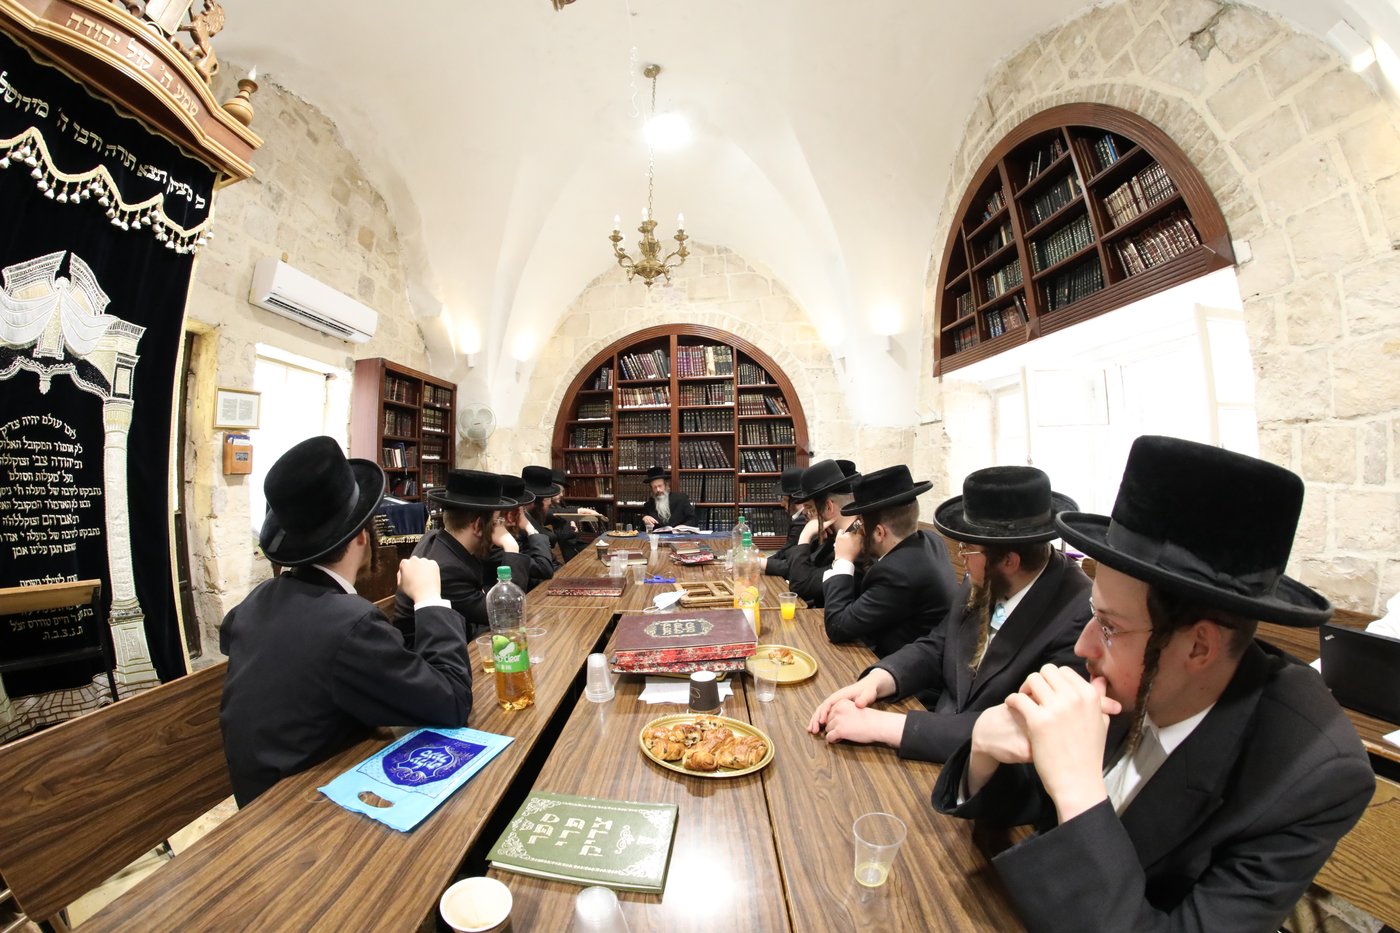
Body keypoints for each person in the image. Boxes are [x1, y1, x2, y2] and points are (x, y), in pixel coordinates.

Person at [932, 436, 1374, 933]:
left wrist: (1078, 790)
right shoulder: (1126, 665)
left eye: (1109, 625)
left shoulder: (1311, 774)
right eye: (1094, 614)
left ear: (1199, 647)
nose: (1084, 646)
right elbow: (1032, 797)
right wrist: (985, 754)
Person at [219, 436, 472, 806]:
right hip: (301, 811)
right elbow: (452, 703)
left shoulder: (256, 602)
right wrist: (430, 599)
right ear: (362, 536)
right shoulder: (349, 622)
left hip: (259, 797)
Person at [808, 465, 1090, 762]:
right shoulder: (987, 577)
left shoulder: (1076, 619)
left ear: (1009, 561)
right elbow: (939, 644)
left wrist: (886, 726)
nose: (961, 560)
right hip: (937, 734)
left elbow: (1021, 730)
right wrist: (878, 680)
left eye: (966, 550)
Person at [822, 464, 958, 657]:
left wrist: (843, 560)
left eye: (860, 524)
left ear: (879, 532)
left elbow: (837, 627)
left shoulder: (897, 573)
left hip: (903, 668)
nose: (857, 531)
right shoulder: (930, 541)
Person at [393, 469, 528, 639]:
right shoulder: (448, 569)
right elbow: (507, 614)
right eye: (497, 521)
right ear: (478, 526)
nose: (501, 528)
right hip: (430, 653)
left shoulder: (436, 538)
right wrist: (511, 546)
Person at [761, 459, 859, 607]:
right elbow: (797, 569)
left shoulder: (855, 544)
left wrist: (805, 536)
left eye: (810, 508)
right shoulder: (834, 535)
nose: (805, 514)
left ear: (828, 507)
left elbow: (800, 585)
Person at [499, 474, 560, 589]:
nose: (524, 514)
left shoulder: (511, 530)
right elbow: (544, 569)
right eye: (522, 509)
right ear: (510, 515)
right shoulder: (497, 545)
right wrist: (531, 529)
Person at [640, 465, 698, 530]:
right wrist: (645, 519)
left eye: (660, 486)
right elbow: (644, 530)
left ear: (666, 485)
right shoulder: (649, 505)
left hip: (680, 535)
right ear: (651, 488)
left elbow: (693, 520)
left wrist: (683, 527)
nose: (658, 490)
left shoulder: (681, 499)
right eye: (654, 487)